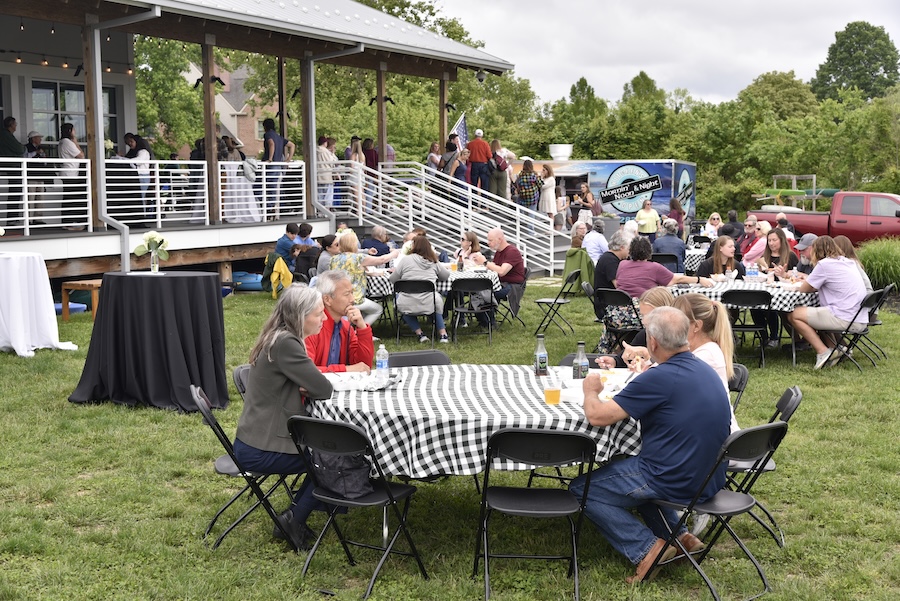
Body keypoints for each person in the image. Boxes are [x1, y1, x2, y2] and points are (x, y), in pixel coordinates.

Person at [568, 306, 729, 584]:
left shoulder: (660, 376)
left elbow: (597, 416)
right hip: (709, 477)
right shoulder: (704, 369)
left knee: (580, 490)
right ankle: (681, 537)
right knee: (624, 472)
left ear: (652, 342)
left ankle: (647, 548)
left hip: (671, 477)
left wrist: (590, 390)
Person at [233, 284, 334, 551]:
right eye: (318, 313)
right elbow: (323, 389)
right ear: (300, 316)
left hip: (253, 439)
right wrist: (306, 385)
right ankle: (293, 520)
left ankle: (294, 517)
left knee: (328, 455)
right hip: (261, 448)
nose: (324, 318)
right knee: (332, 459)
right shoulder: (287, 342)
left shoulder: (277, 336)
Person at [785, 236, 870, 369]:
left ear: (816, 251)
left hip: (845, 317)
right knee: (817, 311)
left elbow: (804, 289)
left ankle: (823, 351)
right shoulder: (847, 262)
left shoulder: (824, 264)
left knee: (794, 314)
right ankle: (834, 349)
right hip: (859, 316)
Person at [672, 293, 740, 433]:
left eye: (676, 321)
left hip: (715, 439)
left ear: (696, 326)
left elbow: (669, 382)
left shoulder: (705, 356)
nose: (670, 326)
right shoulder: (698, 350)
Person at [304, 270, 376, 373]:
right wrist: (345, 369)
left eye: (352, 292)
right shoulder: (311, 327)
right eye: (347, 294)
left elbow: (363, 366)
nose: (352, 299)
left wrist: (363, 329)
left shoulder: (346, 327)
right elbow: (305, 372)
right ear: (327, 299)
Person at [389, 235, 451, 343]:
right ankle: (443, 334)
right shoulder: (433, 261)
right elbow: (445, 276)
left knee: (399, 301)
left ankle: (420, 333)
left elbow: (393, 279)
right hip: (429, 301)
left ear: (414, 246)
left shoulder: (405, 260)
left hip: (407, 301)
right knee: (436, 300)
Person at [595, 286, 675, 368]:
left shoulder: (677, 337)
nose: (644, 321)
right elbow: (626, 356)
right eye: (642, 315)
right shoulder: (644, 335)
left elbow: (674, 365)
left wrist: (648, 356)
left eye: (651, 316)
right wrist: (614, 362)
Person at [330, 230, 398, 325]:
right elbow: (381, 260)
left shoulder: (333, 259)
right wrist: (394, 254)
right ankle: (361, 330)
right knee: (378, 309)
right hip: (355, 299)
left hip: (337, 297)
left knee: (365, 309)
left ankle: (352, 328)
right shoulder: (358, 258)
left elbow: (349, 272)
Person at [616, 236, 713, 300]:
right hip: (642, 311)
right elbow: (678, 279)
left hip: (617, 312)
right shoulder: (654, 267)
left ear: (630, 251)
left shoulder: (622, 264)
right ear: (649, 250)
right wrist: (699, 279)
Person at [472, 227, 526, 326]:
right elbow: (494, 268)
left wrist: (485, 262)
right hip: (501, 283)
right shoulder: (499, 252)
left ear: (500, 239)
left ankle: (488, 322)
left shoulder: (512, 251)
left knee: (485, 292)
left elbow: (501, 271)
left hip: (513, 286)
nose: (488, 243)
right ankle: (485, 320)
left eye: (490, 240)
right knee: (478, 289)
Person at [221, 136, 261, 223]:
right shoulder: (231, 152)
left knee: (228, 196)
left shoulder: (232, 152)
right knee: (228, 195)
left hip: (230, 176)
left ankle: (228, 213)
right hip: (230, 176)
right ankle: (227, 213)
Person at [261, 118, 295, 210]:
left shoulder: (268, 135)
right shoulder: (279, 137)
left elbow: (271, 144)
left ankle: (269, 207)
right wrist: (288, 159)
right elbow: (292, 145)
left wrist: (270, 158)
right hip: (279, 165)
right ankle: (276, 207)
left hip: (271, 165)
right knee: (275, 186)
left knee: (266, 186)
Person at [58, 122, 86, 230]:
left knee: (69, 196)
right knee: (71, 197)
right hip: (70, 173)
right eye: (74, 130)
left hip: (68, 172)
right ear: (70, 131)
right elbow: (81, 155)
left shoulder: (63, 142)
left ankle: (68, 221)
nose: (75, 132)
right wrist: (75, 141)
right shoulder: (67, 142)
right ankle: (69, 222)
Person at [24, 131, 49, 225]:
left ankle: (38, 219)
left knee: (40, 198)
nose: (40, 139)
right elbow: (26, 157)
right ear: (33, 138)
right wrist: (36, 152)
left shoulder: (41, 148)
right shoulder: (26, 147)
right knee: (30, 198)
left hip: (40, 176)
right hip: (31, 177)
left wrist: (43, 157)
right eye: (38, 137)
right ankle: (29, 219)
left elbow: (45, 163)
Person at [315, 135, 337, 207]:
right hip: (327, 176)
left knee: (320, 195)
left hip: (318, 176)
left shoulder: (315, 151)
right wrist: (333, 153)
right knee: (328, 195)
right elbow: (332, 162)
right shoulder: (326, 152)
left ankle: (320, 212)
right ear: (325, 143)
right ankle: (327, 211)